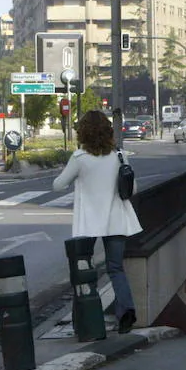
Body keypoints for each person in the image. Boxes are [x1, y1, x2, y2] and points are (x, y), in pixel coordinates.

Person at [52, 110, 142, 334]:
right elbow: (133, 188)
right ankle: (126, 310)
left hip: (90, 221)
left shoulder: (80, 158)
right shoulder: (119, 155)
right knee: (115, 268)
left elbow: (58, 185)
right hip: (116, 219)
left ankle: (86, 316)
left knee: (85, 268)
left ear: (83, 132)